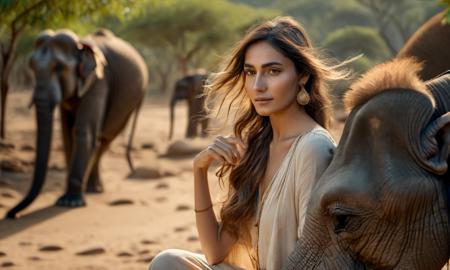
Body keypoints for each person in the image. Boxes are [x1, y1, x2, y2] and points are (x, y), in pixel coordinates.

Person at [149, 16, 349, 270]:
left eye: (273, 71)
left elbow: (313, 257)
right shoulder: (255, 148)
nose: (258, 85)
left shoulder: (313, 148)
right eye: (250, 72)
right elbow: (215, 252)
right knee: (168, 262)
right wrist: (199, 170)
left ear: (302, 76)